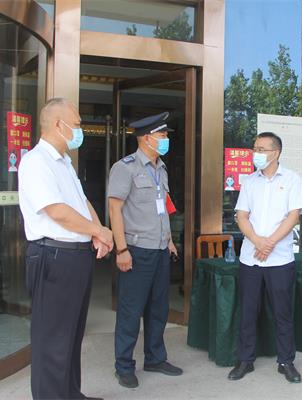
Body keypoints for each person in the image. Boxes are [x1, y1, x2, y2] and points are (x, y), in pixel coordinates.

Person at [18, 97, 113, 400]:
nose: (80, 130)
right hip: (53, 256)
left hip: (75, 257)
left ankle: (71, 394)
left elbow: (81, 202)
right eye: (77, 124)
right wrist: (98, 231)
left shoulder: (65, 163)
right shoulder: (36, 162)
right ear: (59, 125)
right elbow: (56, 211)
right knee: (52, 340)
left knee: (71, 335)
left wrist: (98, 232)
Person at [108, 111, 182, 389]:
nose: (165, 139)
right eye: (161, 135)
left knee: (158, 309)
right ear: (146, 138)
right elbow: (114, 210)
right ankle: (124, 366)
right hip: (137, 250)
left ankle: (155, 358)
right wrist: (121, 250)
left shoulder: (161, 168)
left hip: (160, 249)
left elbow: (162, 208)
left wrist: (169, 239)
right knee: (131, 311)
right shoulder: (125, 168)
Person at [228, 131, 302, 383]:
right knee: (248, 311)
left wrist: (270, 242)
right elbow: (241, 216)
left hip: (280, 259)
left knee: (283, 312)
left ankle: (286, 362)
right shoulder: (249, 181)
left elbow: (294, 216)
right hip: (250, 258)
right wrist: (257, 241)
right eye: (255, 149)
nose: (256, 154)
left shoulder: (293, 179)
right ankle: (245, 360)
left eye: (261, 149)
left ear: (276, 152)